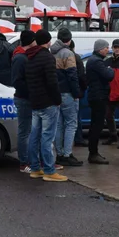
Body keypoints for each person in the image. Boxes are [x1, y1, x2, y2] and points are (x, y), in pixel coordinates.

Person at [24, 29, 67, 182]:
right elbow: (52, 82)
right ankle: (49, 170)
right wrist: (57, 99)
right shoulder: (47, 57)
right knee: (47, 137)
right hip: (48, 103)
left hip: (35, 102)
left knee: (34, 136)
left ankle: (35, 168)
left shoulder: (30, 57)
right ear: (48, 42)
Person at [49, 27, 83, 166]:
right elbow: (72, 75)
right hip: (68, 93)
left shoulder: (52, 53)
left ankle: (60, 154)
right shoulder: (68, 53)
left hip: (56, 93)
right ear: (69, 39)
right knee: (71, 124)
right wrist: (77, 93)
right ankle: (68, 154)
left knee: (59, 125)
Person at [84, 39, 115, 165]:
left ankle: (93, 152)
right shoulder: (96, 61)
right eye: (106, 48)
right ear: (100, 49)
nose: (108, 50)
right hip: (99, 96)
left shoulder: (93, 60)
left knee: (95, 124)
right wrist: (110, 69)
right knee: (97, 125)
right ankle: (93, 153)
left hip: (96, 95)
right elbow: (109, 75)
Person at [10, 30, 36, 172]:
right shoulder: (20, 58)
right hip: (24, 98)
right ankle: (24, 162)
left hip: (24, 97)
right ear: (31, 41)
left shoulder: (22, 56)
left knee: (27, 130)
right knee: (25, 131)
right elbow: (17, 80)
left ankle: (28, 160)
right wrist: (29, 92)